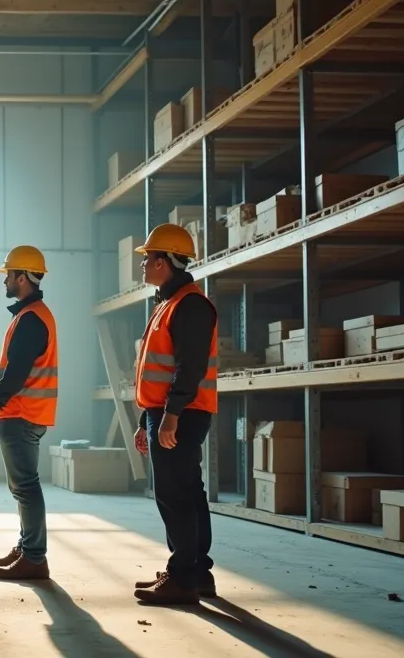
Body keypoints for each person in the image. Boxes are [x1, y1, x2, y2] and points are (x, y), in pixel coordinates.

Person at [130, 223, 219, 605]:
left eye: (148, 257)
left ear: (165, 261)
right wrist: (145, 420)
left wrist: (170, 415)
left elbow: (190, 366)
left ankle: (182, 577)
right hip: (168, 412)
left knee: (175, 494)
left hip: (180, 414)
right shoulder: (169, 304)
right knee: (188, 492)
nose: (143, 264)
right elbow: (158, 370)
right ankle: (196, 573)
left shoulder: (191, 305)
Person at [0, 245, 58, 581]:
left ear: (23, 277)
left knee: (26, 486)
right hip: (29, 412)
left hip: (21, 412)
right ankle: (26, 546)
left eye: (9, 275)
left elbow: (16, 372)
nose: (5, 282)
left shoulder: (30, 320)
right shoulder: (33, 315)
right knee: (22, 487)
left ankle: (34, 557)